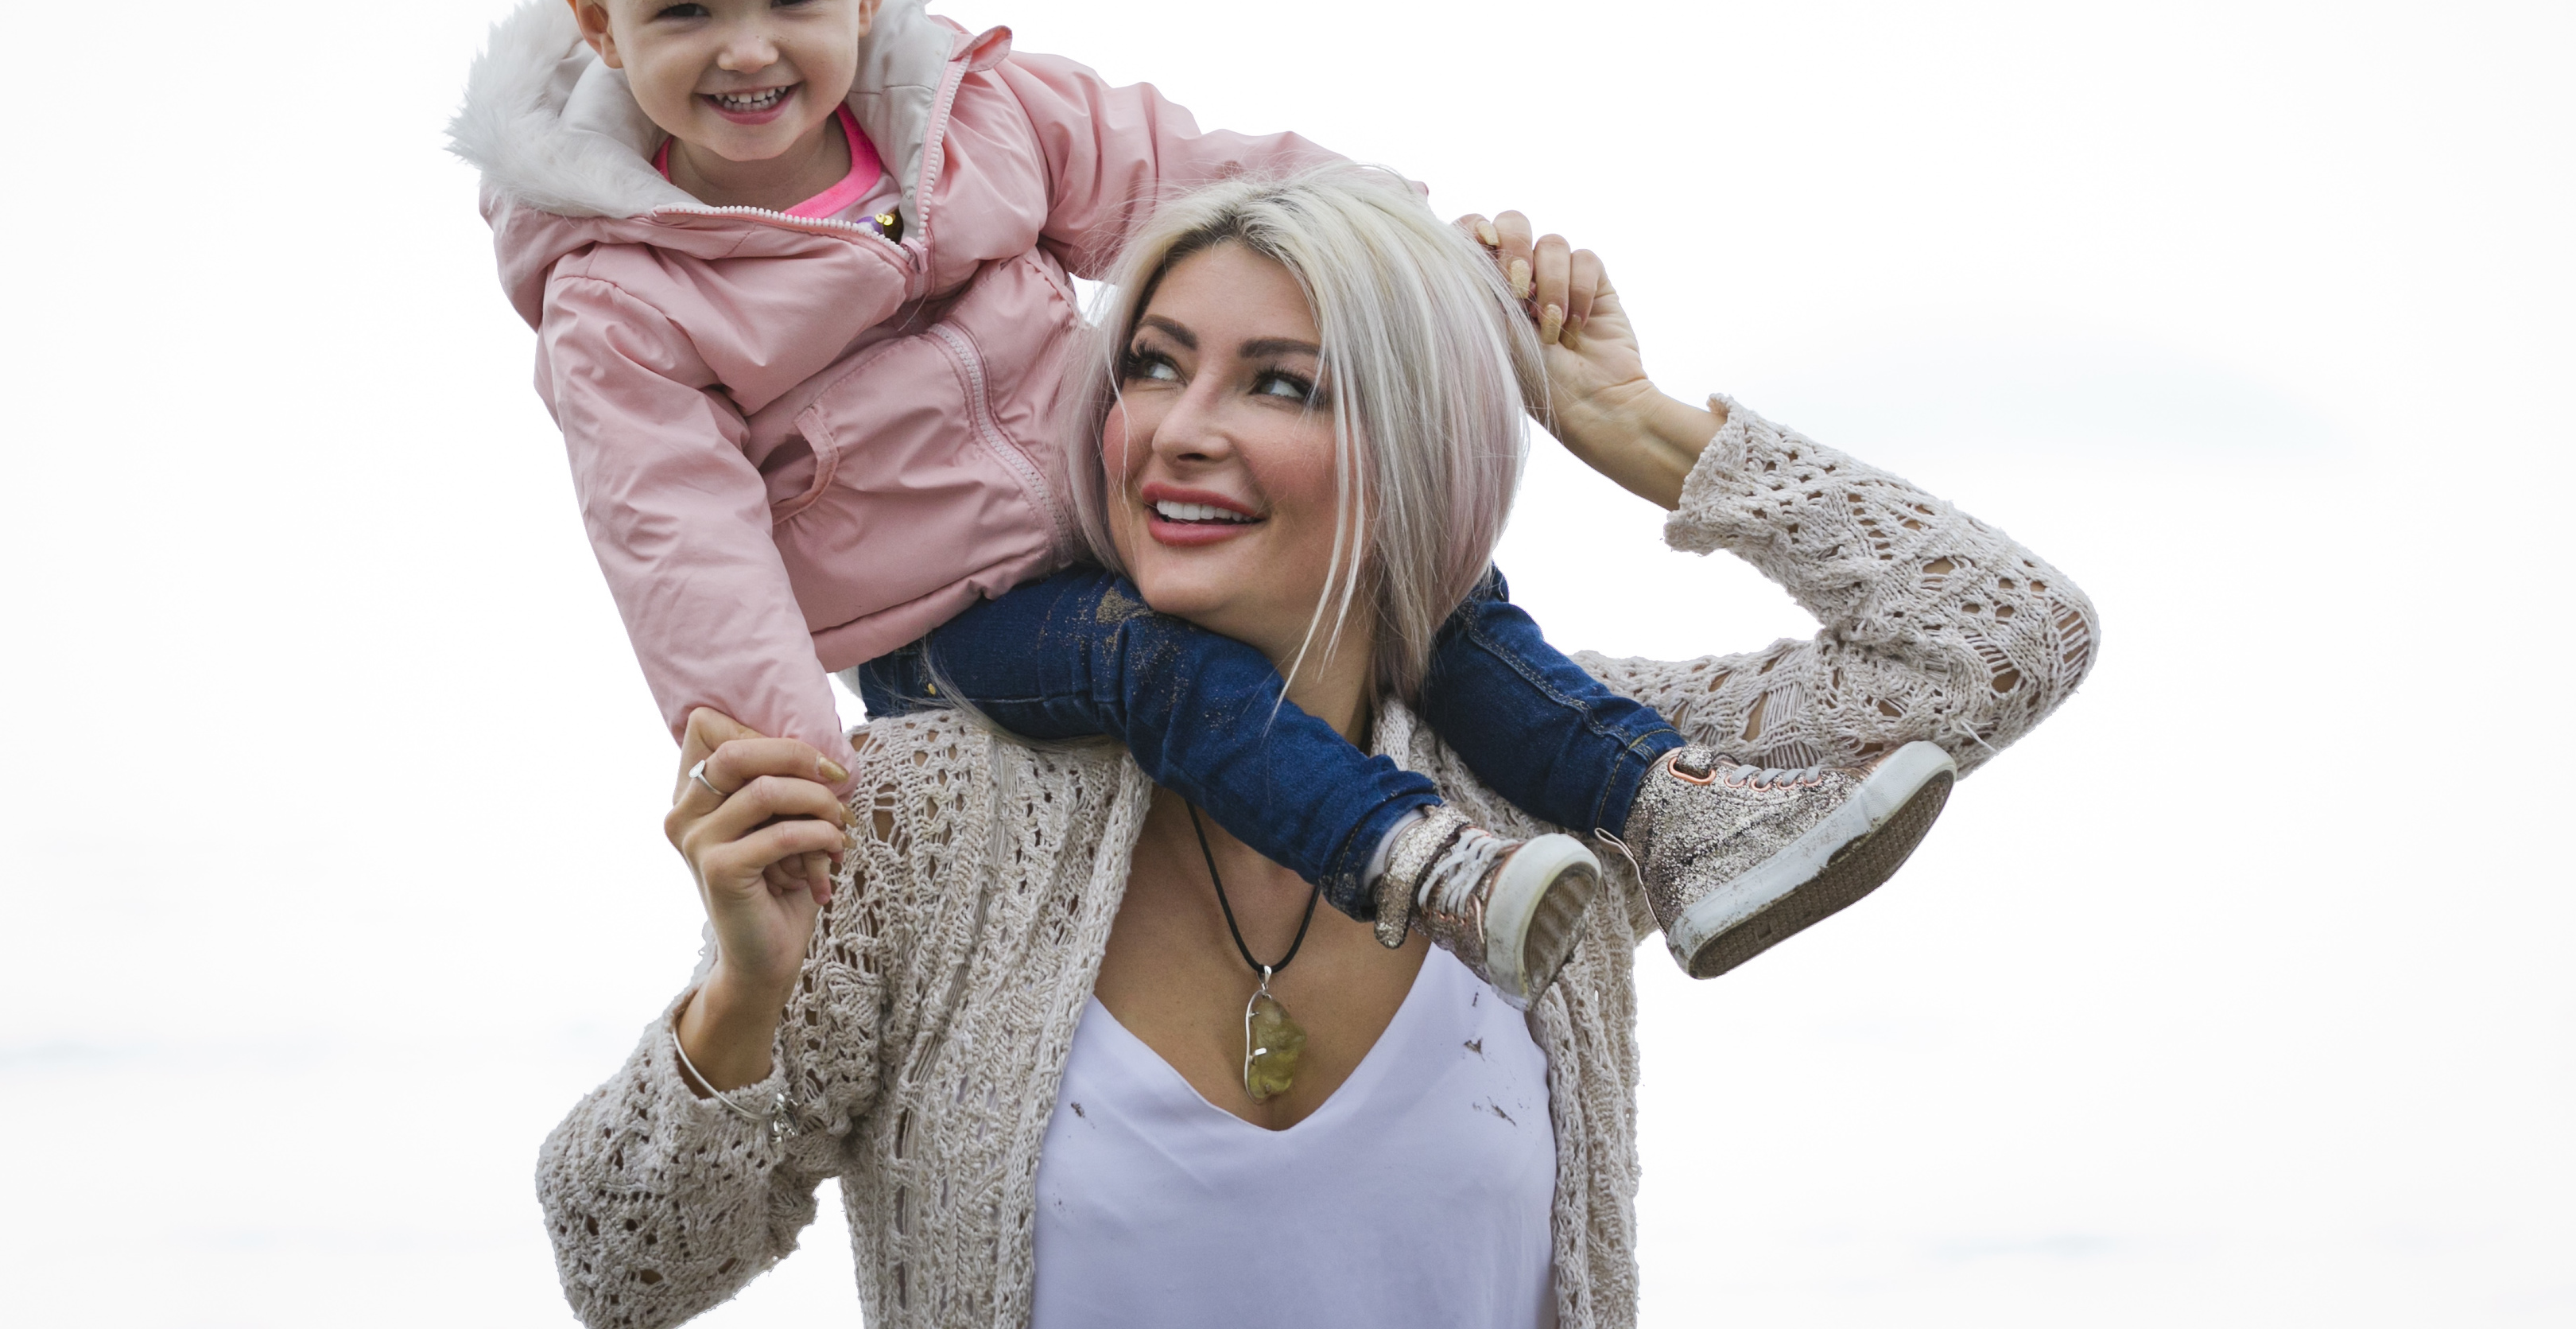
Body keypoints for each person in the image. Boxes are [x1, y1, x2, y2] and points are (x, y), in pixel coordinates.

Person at [451, 0, 1956, 1005]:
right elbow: (682, 546)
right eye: (684, 15)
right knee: (1151, 664)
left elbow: (1202, 183)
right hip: (943, 634)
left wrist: (1413, 250)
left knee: (1418, 578)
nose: (748, 53)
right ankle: (1427, 866)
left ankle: (1673, 813)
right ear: (597, 19)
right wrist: (792, 786)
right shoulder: (625, 292)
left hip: (1109, 521)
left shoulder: (978, 114)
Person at [535, 169, 2099, 1328]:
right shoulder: (932, 813)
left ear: (1416, 443)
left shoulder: (1558, 778)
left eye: (1280, 383)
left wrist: (1627, 420)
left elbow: (2005, 640)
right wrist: (737, 1005)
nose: (1180, 429)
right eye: (1149, 365)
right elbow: (621, 1263)